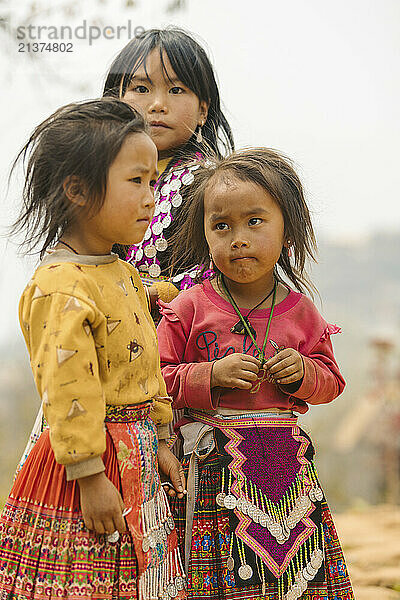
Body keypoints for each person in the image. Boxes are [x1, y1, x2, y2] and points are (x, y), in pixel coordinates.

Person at [0, 98, 186, 600]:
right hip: (91, 469)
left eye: (153, 182)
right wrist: (89, 477)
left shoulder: (120, 273)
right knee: (85, 581)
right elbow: (68, 389)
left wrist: (164, 438)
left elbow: (146, 362)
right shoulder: (62, 286)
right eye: (136, 182)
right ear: (78, 190)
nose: (151, 197)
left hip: (138, 456)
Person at [156, 148, 355, 599]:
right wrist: (210, 375)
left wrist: (303, 370)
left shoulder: (301, 313)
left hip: (287, 473)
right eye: (221, 225)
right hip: (212, 468)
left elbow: (331, 381)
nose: (238, 239)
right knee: (221, 577)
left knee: (294, 575)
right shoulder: (188, 307)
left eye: (255, 222)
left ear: (287, 232)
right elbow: (157, 380)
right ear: (205, 234)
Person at [103, 27, 234, 290]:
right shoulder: (97, 177)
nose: (158, 104)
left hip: (181, 326)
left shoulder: (211, 183)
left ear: (203, 110)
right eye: (141, 88)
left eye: (176, 90)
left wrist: (160, 292)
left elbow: (225, 266)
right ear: (115, 101)